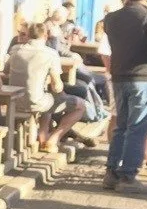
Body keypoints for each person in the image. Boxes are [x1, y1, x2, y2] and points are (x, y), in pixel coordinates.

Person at [102, 0, 147, 194]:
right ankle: (128, 176)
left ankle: (112, 172)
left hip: (119, 77)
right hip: (142, 78)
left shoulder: (111, 19)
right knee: (139, 127)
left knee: (121, 126)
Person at [6, 22, 88, 153]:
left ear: (29, 34)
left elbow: (6, 71)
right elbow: (57, 86)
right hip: (36, 101)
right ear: (45, 36)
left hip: (14, 100)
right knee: (80, 106)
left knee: (47, 99)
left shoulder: (15, 50)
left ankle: (43, 137)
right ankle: (52, 140)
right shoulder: (50, 54)